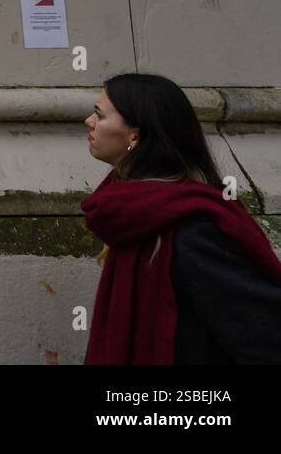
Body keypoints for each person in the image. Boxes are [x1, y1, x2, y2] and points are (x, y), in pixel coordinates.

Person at [81, 72, 281, 364]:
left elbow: (262, 336)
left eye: (99, 114)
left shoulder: (194, 229)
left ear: (134, 135)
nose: (90, 121)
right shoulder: (131, 215)